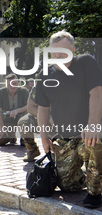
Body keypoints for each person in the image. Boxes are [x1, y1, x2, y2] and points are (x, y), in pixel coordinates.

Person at [36, 30, 102, 208]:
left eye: (64, 52)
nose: (59, 56)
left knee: (96, 141)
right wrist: (44, 137)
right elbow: (43, 108)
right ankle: (87, 175)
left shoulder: (86, 62)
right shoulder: (44, 74)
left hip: (88, 132)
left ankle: (96, 191)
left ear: (73, 50)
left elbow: (96, 93)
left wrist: (93, 125)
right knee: (67, 186)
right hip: (65, 138)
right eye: (55, 52)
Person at [18, 86, 55, 162]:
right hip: (44, 119)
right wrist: (48, 118)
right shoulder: (39, 86)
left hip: (60, 122)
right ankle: (32, 150)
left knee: (57, 161)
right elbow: (30, 107)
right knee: (23, 122)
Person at [0, 74, 28, 146]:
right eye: (9, 83)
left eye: (14, 83)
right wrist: (2, 126)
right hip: (7, 120)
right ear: (6, 84)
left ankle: (24, 136)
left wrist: (17, 110)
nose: (12, 86)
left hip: (21, 119)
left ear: (18, 83)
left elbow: (28, 106)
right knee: (0, 140)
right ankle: (12, 136)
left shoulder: (24, 91)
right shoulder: (0, 93)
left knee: (25, 143)